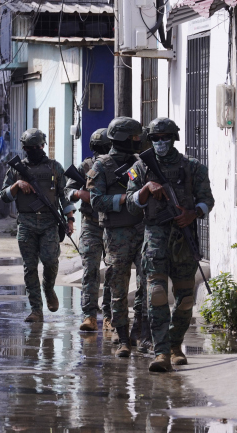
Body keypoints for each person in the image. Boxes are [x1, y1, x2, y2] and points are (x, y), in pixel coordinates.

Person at [126, 117, 214, 372]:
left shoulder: (193, 167)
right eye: (155, 138)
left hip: (183, 239)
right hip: (155, 238)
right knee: (157, 295)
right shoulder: (139, 167)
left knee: (185, 299)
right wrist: (145, 189)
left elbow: (207, 200)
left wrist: (193, 213)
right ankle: (161, 351)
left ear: (174, 138)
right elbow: (131, 204)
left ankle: (175, 345)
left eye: (165, 138)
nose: (160, 142)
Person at [86, 117, 147, 358]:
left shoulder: (140, 163)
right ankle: (122, 337)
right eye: (134, 137)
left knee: (147, 284)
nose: (138, 141)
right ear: (123, 138)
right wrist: (124, 199)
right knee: (118, 288)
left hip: (142, 230)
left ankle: (139, 329)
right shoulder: (101, 166)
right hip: (116, 234)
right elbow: (96, 201)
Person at [0, 128, 75, 323]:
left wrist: (70, 219)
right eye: (29, 148)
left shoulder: (54, 167)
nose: (33, 150)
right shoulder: (17, 169)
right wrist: (17, 185)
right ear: (24, 148)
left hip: (49, 222)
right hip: (26, 223)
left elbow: (63, 195)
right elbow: (3, 195)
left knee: (50, 261)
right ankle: (36, 310)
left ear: (43, 146)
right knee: (30, 267)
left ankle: (48, 288)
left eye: (37, 147)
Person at [64, 129, 113, 332]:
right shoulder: (85, 167)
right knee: (90, 270)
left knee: (113, 271)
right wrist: (78, 193)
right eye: (99, 148)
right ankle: (89, 316)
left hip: (113, 225)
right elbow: (67, 190)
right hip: (91, 224)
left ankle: (109, 315)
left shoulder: (118, 165)